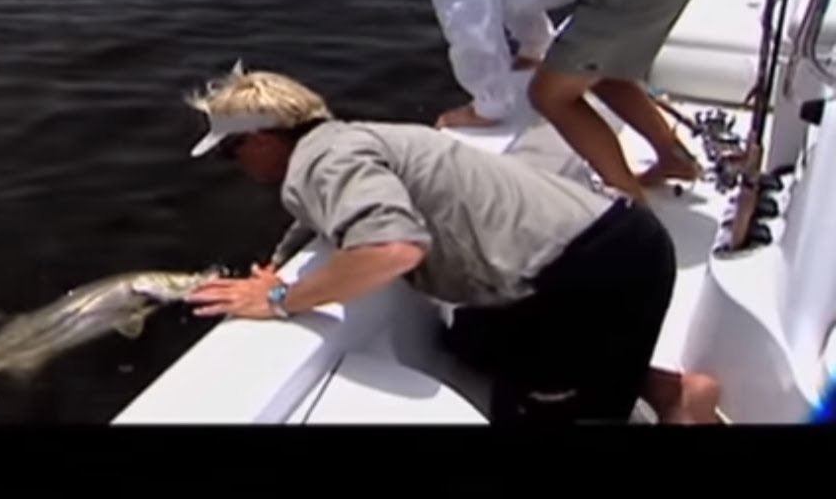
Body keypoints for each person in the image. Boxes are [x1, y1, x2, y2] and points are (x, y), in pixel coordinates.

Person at [181, 62, 720, 424]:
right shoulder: (349, 138)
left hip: (591, 275)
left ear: (260, 139)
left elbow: (392, 250)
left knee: (530, 412)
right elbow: (323, 215)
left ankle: (643, 398)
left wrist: (279, 301)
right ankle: (668, 393)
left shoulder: (322, 164)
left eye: (232, 154)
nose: (238, 167)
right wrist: (278, 265)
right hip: (622, 242)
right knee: (470, 340)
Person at [313, 0, 703, 204]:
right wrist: (534, 50)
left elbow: (469, 21)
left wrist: (487, 106)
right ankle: (674, 159)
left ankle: (633, 208)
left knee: (551, 96)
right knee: (603, 73)